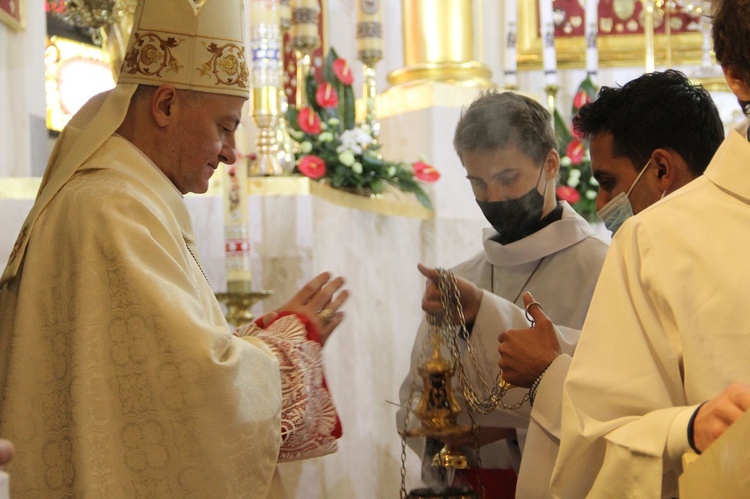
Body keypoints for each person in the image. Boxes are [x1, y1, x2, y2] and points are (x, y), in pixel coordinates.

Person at [0, 0, 347, 497]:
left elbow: (156, 370)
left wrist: (260, 338)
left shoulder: (121, 199)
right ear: (165, 106)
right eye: (224, 127)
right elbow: (195, 392)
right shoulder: (114, 211)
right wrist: (288, 345)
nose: (230, 152)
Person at [551, 4, 750, 496]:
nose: (602, 205)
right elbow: (593, 451)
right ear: (738, 76)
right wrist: (688, 429)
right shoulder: (653, 240)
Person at [497, 70, 725, 498]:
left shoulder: (647, 249)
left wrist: (547, 372)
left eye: (608, 182)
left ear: (661, 169)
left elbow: (637, 429)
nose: (601, 203)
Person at [397, 91, 609, 498]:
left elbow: (610, 401)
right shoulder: (462, 278)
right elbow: (416, 399)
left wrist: (505, 434)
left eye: (508, 179)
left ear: (550, 164)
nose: (494, 198)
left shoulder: (601, 269)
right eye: (478, 182)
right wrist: (442, 438)